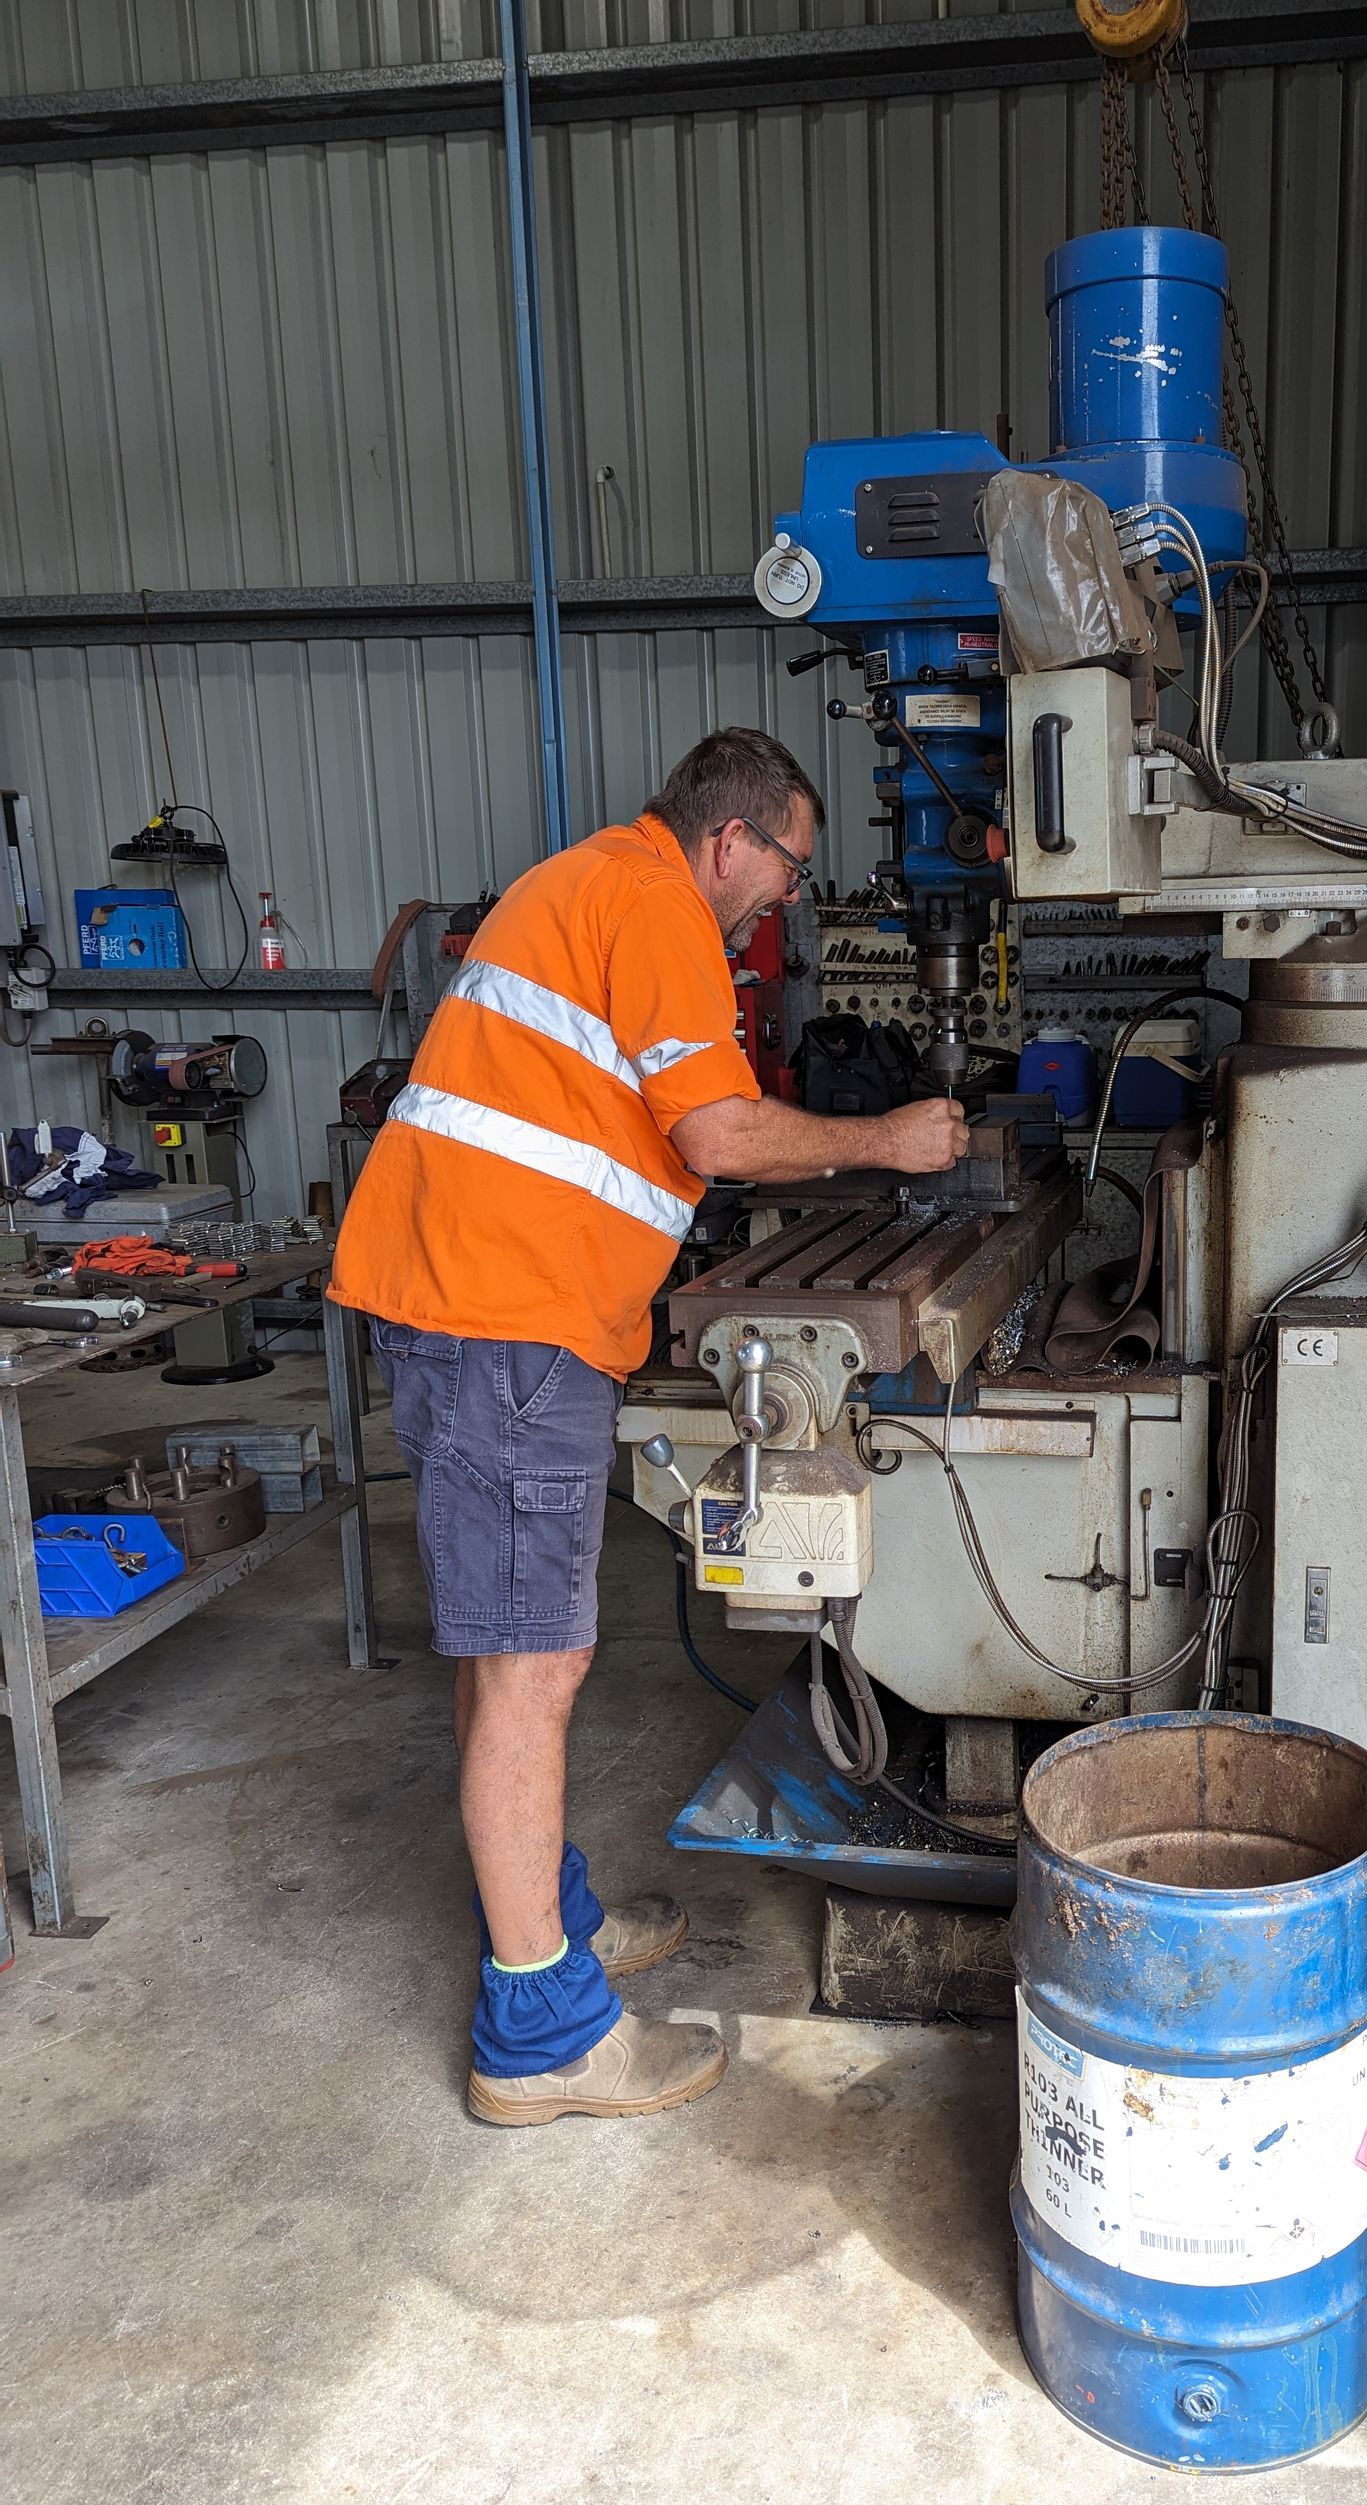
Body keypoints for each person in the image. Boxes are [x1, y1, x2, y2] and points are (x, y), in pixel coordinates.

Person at [329, 727, 967, 2126]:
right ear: (730, 837)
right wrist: (894, 1139)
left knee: (507, 1652)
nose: (787, 898)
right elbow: (721, 1136)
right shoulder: (661, 907)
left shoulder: (598, 885)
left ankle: (544, 1914)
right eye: (790, 865)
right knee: (532, 1667)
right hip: (505, 1320)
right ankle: (540, 2031)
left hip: (481, 1304)